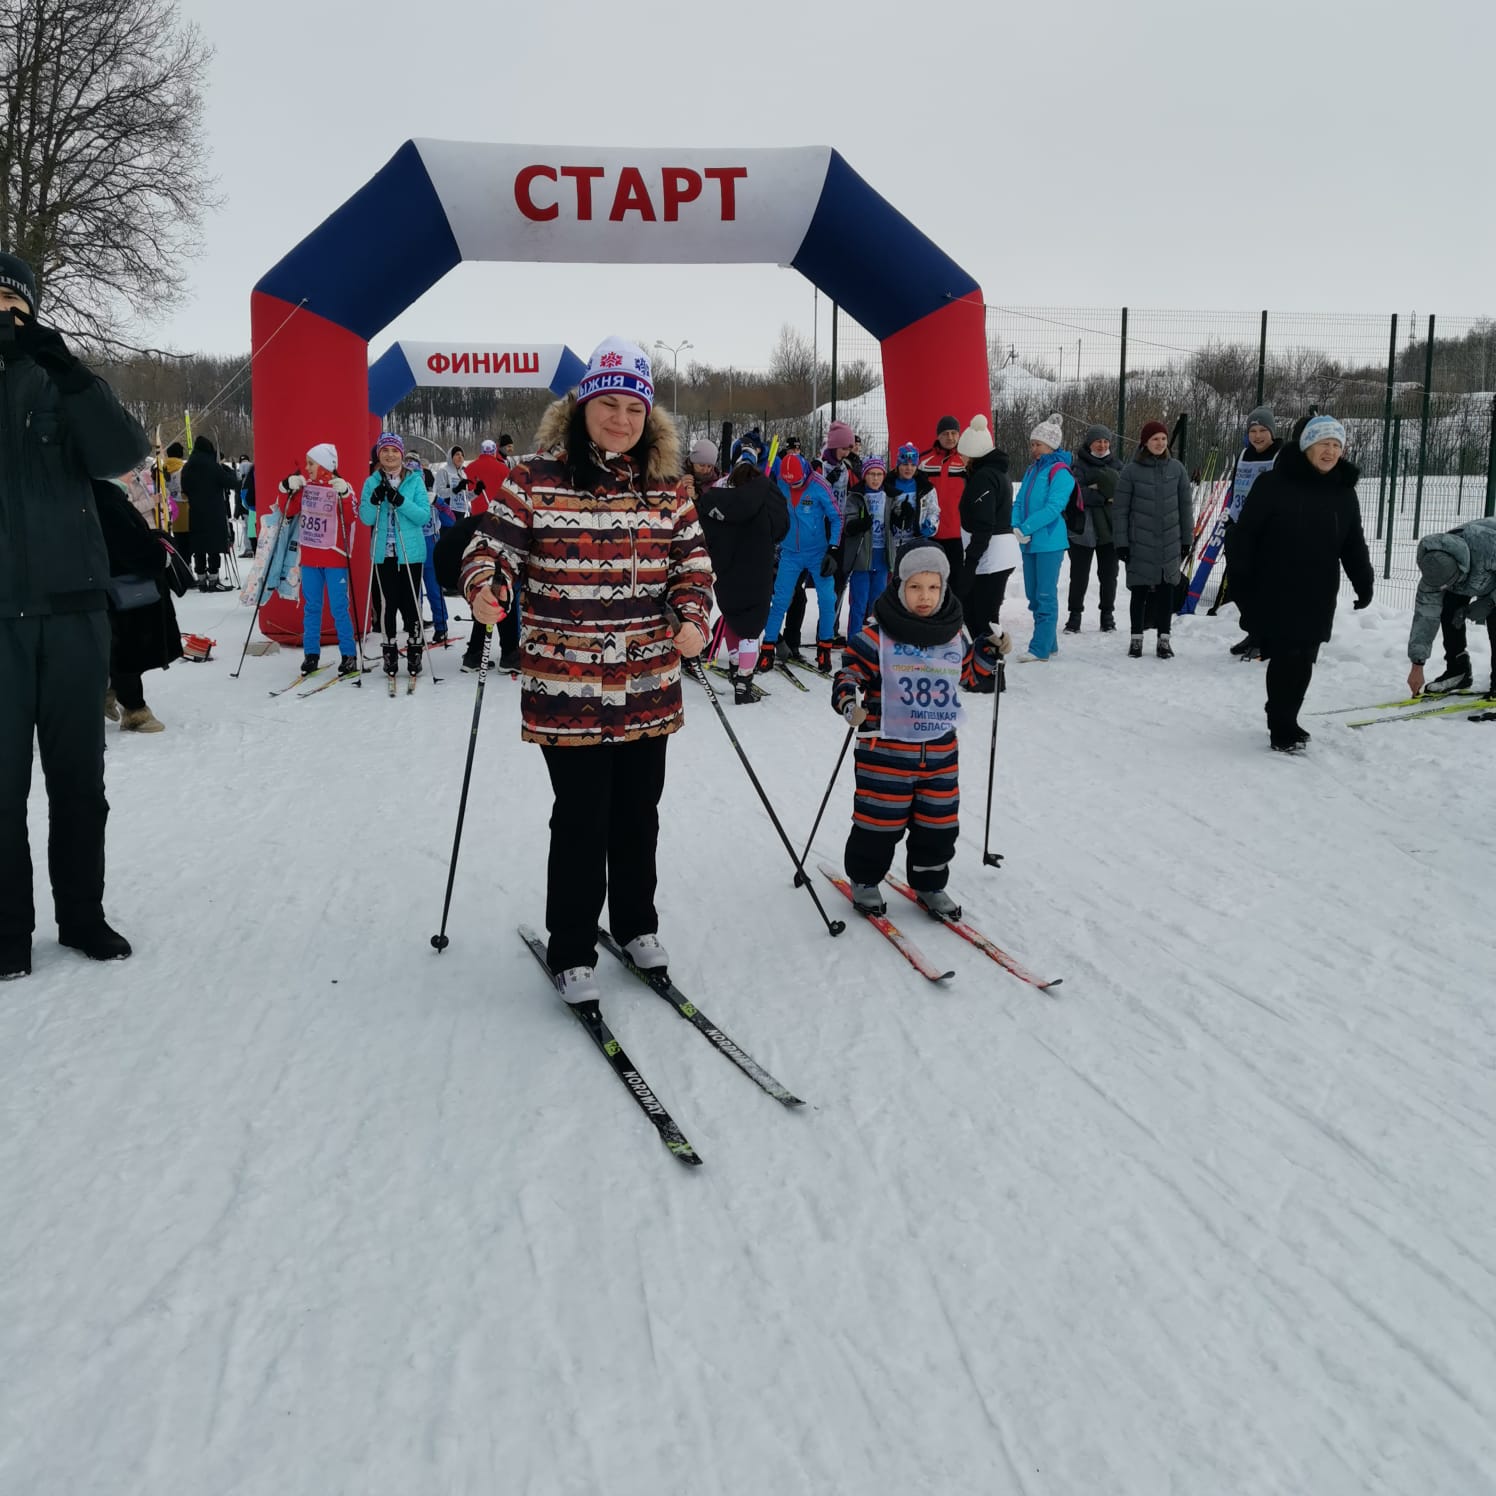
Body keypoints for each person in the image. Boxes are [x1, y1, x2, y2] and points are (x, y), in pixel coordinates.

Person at [461, 336, 713, 1000]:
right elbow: (490, 548)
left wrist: (693, 616)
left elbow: (693, 568)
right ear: (583, 407)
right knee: (582, 816)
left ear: (648, 416)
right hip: (566, 686)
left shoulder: (668, 488)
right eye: (609, 404)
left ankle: (635, 925)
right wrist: (487, 585)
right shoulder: (533, 478)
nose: (621, 419)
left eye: (634, 408)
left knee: (638, 813)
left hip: (648, 683)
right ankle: (571, 945)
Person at [0, 250, 152, 978]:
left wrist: (68, 370)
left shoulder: (62, 380)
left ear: (32, 309)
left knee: (79, 782)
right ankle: (7, 930)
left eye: (14, 303)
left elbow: (124, 453)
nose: (4, 316)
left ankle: (83, 916)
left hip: (73, 613)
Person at [831, 540, 1009, 918]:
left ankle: (930, 883)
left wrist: (987, 652)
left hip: (940, 755)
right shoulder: (876, 636)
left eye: (932, 587)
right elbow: (848, 674)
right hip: (885, 754)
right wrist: (849, 702)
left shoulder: (954, 634)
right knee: (878, 823)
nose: (924, 596)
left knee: (938, 826)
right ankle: (865, 879)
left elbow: (967, 675)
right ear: (900, 587)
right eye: (915, 587)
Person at [1224, 415, 1374, 752]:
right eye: (1323, 444)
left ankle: (1287, 716)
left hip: (1319, 589)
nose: (1330, 451)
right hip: (1276, 585)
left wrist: (1364, 581)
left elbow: (1353, 542)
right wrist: (1241, 581)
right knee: (1287, 655)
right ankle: (1280, 725)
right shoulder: (1273, 484)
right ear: (1307, 446)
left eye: (1336, 445)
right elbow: (1244, 535)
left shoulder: (1343, 492)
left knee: (1306, 656)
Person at [697, 446, 788, 703]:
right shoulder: (766, 493)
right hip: (757, 570)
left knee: (733, 619)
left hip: (726, 570)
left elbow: (703, 529)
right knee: (751, 629)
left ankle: (735, 667)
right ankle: (743, 683)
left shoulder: (716, 497)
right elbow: (781, 526)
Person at [96, 477, 183, 734]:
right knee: (128, 649)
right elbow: (127, 544)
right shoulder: (106, 498)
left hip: (121, 586)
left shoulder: (108, 495)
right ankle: (134, 708)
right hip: (126, 588)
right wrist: (157, 555)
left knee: (124, 649)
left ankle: (113, 691)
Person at [278, 442, 360, 675]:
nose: (307, 468)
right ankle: (311, 654)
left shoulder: (341, 487)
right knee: (312, 607)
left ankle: (349, 655)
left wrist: (345, 494)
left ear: (324, 465)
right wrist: (286, 487)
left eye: (311, 463)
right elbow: (288, 510)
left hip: (335, 558)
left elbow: (351, 517)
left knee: (339, 608)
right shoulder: (306, 487)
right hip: (310, 558)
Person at [1114, 420, 1193, 659]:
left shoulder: (1177, 469)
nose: (1160, 443)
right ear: (1145, 442)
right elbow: (1120, 511)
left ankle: (1164, 640)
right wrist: (1122, 543)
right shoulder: (1131, 471)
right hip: (1140, 542)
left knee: (1166, 591)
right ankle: (1136, 639)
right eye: (1154, 439)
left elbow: (1185, 507)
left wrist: (1186, 539)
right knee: (1139, 592)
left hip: (1170, 541)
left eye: (1163, 439)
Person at [759, 450, 842, 674]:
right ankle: (767, 648)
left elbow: (837, 517)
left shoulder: (819, 485)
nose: (793, 487)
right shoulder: (781, 482)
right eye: (790, 483)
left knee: (827, 599)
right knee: (780, 600)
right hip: (790, 553)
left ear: (805, 473)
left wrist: (833, 549)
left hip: (818, 552)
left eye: (797, 482)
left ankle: (824, 647)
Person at [358, 433, 432, 681]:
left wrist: (400, 501)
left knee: (411, 603)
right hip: (384, 553)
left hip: (410, 553)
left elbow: (423, 516)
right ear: (379, 454)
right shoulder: (371, 482)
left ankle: (414, 649)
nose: (390, 455)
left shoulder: (415, 480)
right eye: (385, 450)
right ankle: (389, 650)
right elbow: (366, 518)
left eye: (394, 450)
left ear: (401, 454)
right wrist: (374, 500)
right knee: (387, 605)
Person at [1404, 517, 1496, 699]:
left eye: (1450, 583)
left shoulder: (1487, 545)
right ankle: (1458, 670)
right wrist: (1417, 665)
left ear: (1461, 568)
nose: (1445, 588)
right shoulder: (1433, 571)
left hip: (1488, 573)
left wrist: (1489, 602)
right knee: (1449, 609)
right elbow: (1425, 617)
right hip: (1473, 576)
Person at [1010, 413, 1074, 662]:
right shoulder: (1032, 470)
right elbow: (1019, 500)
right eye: (1032, 444)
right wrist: (1016, 525)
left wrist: (1026, 527)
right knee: (1033, 594)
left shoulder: (1061, 472)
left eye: (1037, 444)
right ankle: (1050, 642)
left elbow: (1053, 507)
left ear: (1051, 445)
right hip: (1028, 542)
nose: (1033, 448)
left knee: (1045, 595)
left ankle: (1040, 648)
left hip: (1049, 542)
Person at [954, 415, 1017, 651]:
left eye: (963, 453)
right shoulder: (995, 473)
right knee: (974, 610)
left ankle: (991, 661)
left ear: (973, 453)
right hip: (994, 554)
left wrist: (970, 562)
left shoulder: (984, 478)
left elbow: (984, 524)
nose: (961, 458)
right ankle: (986, 659)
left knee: (983, 617)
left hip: (991, 557)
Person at [1226, 407, 1283, 658]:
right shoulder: (1243, 455)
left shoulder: (1281, 456)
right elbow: (1234, 488)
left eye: (1262, 431)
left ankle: (1264, 637)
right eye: (1253, 431)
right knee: (1239, 585)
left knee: (1264, 588)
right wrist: (1230, 522)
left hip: (1267, 532)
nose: (1257, 436)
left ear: (1272, 432)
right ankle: (1253, 631)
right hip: (1240, 528)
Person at [1064, 424, 1122, 633]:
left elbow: (1121, 492)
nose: (1102, 445)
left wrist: (1095, 488)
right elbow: (1075, 493)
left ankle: (1107, 616)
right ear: (1090, 443)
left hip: (1110, 530)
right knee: (1079, 576)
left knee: (1109, 575)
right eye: (1098, 441)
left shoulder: (1118, 465)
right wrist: (1103, 497)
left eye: (1106, 441)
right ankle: (1074, 616)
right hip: (1083, 529)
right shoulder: (1077, 466)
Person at [179, 435, 236, 591]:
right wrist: (229, 472)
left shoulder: (188, 467)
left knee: (199, 546)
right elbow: (230, 482)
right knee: (213, 545)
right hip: (214, 511)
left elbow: (184, 488)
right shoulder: (213, 466)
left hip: (195, 512)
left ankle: (201, 579)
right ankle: (213, 579)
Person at [842, 454, 890, 641]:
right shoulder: (856, 495)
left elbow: (895, 518)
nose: (875, 478)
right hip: (862, 556)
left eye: (879, 474)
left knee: (877, 603)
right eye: (871, 474)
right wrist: (858, 524)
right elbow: (848, 523)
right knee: (859, 602)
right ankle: (854, 641)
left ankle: (875, 641)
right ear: (865, 475)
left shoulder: (890, 495)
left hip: (882, 555)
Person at [919, 415, 968, 574]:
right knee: (933, 580)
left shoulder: (966, 461)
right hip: (932, 533)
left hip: (958, 533)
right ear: (938, 436)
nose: (950, 437)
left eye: (954, 433)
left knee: (957, 581)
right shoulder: (924, 461)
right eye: (945, 433)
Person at [465, 438, 509, 516]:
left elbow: (463, 495)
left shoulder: (468, 469)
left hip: (476, 515)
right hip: (498, 515)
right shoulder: (504, 469)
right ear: (494, 452)